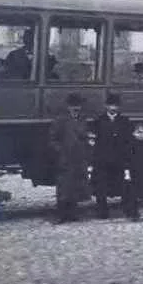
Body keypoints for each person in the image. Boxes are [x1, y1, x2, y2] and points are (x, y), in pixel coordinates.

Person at [48, 93, 90, 224]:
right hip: (65, 158)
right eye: (73, 106)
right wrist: (61, 151)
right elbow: (53, 139)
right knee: (63, 187)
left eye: (78, 106)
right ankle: (61, 214)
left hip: (79, 158)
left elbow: (84, 136)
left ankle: (72, 213)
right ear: (68, 107)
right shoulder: (61, 120)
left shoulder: (82, 119)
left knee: (75, 185)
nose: (76, 108)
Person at [90, 93, 133, 219]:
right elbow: (94, 142)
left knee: (123, 184)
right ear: (106, 106)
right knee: (101, 186)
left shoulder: (125, 121)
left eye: (115, 106)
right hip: (103, 159)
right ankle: (102, 211)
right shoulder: (98, 121)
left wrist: (126, 157)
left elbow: (128, 141)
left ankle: (127, 210)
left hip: (119, 158)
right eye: (110, 105)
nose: (113, 108)